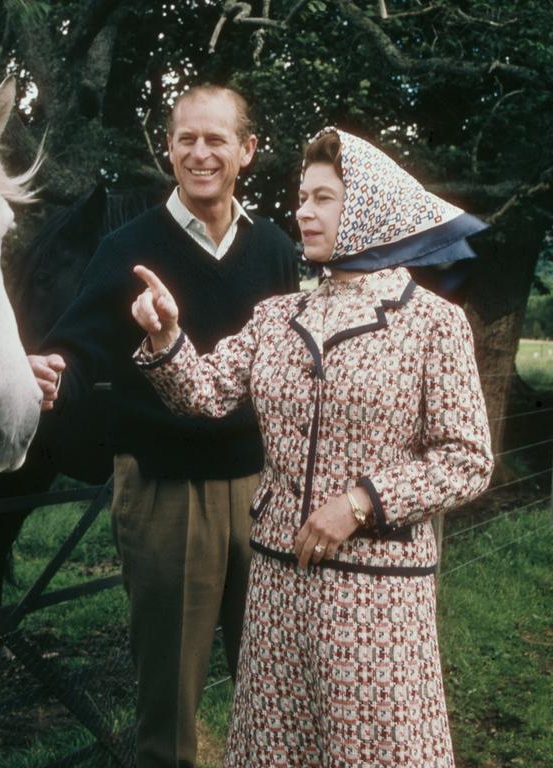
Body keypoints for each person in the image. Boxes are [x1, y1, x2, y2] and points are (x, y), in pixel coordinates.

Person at [131, 127, 494, 767]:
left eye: (323, 197)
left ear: (370, 207)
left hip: (377, 595)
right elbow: (206, 394)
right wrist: (167, 338)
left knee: (374, 750)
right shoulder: (276, 315)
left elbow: (466, 459)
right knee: (279, 749)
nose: (303, 211)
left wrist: (360, 501)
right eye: (302, 197)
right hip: (277, 583)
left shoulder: (432, 322)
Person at [30, 85, 298, 768]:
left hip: (264, 491)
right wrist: (56, 368)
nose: (199, 153)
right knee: (169, 701)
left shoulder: (273, 249)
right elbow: (80, 344)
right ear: (169, 148)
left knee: (271, 683)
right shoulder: (128, 245)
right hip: (166, 492)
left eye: (216, 139)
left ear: (247, 151)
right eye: (186, 139)